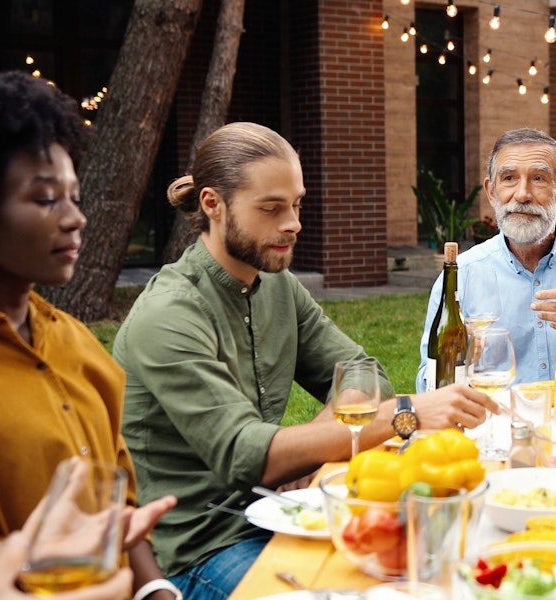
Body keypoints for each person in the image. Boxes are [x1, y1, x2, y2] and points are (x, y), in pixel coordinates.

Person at [114, 122, 496, 599]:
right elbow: (245, 454)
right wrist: (407, 414)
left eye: (296, 204)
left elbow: (364, 375)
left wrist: (314, 443)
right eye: (272, 208)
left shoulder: (275, 284)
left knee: (448, 560)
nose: (292, 222)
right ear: (213, 204)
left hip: (287, 513)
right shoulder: (169, 314)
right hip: (201, 549)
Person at [0, 69, 179, 600]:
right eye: (44, 199)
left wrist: (158, 593)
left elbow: (119, 501)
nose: (75, 219)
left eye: (74, 197)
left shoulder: (77, 343)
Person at [416, 128, 556, 390]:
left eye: (539, 178)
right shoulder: (461, 275)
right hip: (493, 425)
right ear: (492, 192)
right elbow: (428, 381)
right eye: (508, 178)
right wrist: (453, 359)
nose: (522, 195)